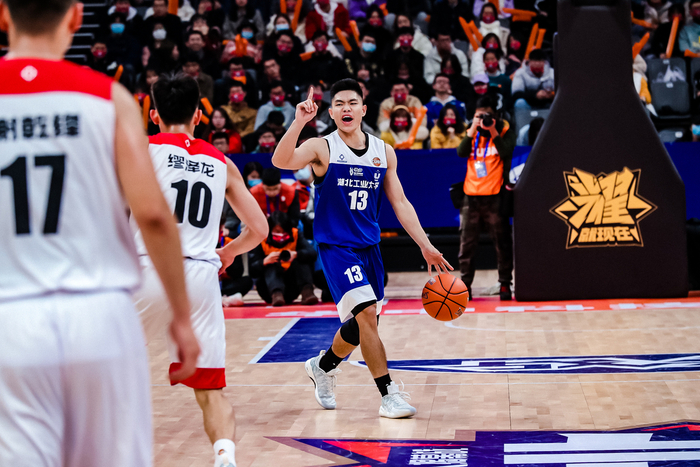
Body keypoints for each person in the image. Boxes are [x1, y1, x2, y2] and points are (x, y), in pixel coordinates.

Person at [0, 0, 200, 464]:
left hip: (11, 316)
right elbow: (153, 215)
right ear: (75, 16)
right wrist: (181, 316)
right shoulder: (109, 98)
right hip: (99, 314)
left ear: (4, 16)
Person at [272, 79, 452, 418]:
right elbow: (282, 161)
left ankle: (323, 366)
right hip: (336, 246)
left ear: (364, 109)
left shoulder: (383, 152)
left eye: (352, 103)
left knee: (360, 327)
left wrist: (426, 245)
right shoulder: (322, 147)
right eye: (339, 104)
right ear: (331, 112)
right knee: (367, 314)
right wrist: (298, 123)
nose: (346, 108)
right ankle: (388, 395)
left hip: (369, 247)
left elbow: (400, 202)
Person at [132, 73, 268, 467]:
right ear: (197, 116)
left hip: (148, 270)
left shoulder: (141, 149)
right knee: (210, 390)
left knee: (97, 366)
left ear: (154, 115)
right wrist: (228, 253)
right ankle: (224, 454)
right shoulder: (222, 163)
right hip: (200, 278)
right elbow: (259, 229)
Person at [456, 95, 515, 301]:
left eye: (487, 115)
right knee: (466, 245)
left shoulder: (505, 131)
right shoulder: (471, 132)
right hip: (471, 196)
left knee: (502, 243)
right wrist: (473, 128)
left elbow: (506, 151)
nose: (483, 119)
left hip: (495, 196)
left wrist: (492, 131)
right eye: (479, 115)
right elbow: (461, 152)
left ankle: (505, 283)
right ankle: (465, 285)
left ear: (496, 114)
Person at [249, 211, 319, 306]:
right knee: (271, 264)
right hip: (268, 290)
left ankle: (307, 292)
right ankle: (277, 294)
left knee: (302, 260)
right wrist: (264, 261)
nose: (281, 234)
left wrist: (296, 254)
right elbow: (252, 270)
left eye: (284, 231)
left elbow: (312, 254)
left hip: (292, 287)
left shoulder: (296, 234)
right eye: (277, 231)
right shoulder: (262, 238)